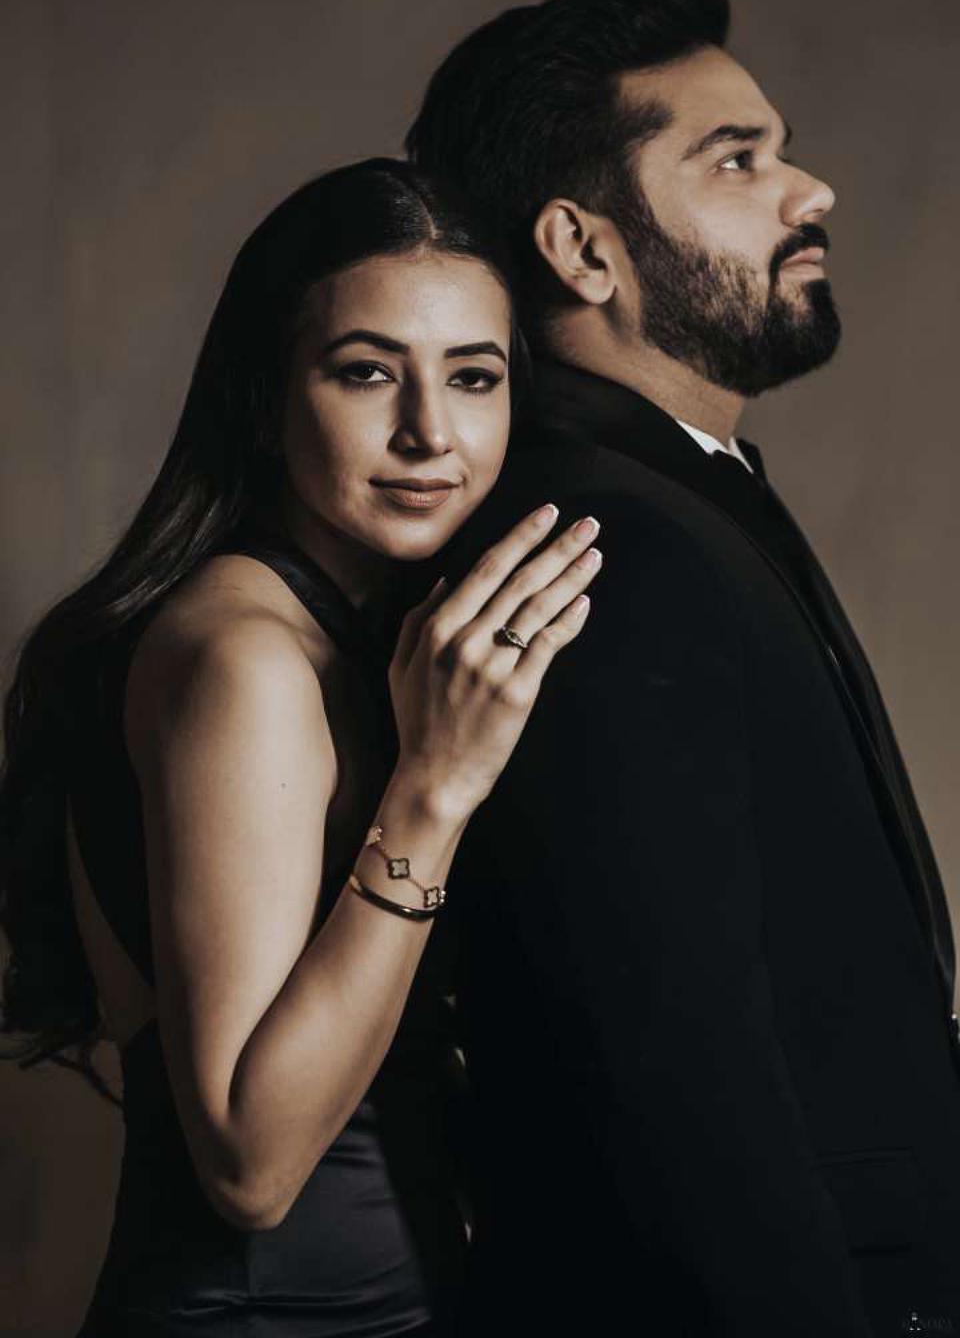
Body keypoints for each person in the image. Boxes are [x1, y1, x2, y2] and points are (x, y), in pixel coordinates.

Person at [407, 0, 960, 1337]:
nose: (811, 190)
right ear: (583, 250)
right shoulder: (599, 542)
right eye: (736, 159)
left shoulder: (679, 493)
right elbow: (677, 1075)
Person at [0, 158, 602, 1336]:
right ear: (262, 401)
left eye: (473, 377)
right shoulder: (249, 664)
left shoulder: (345, 635)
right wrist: (434, 789)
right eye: (367, 371)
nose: (430, 432)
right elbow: (251, 1164)